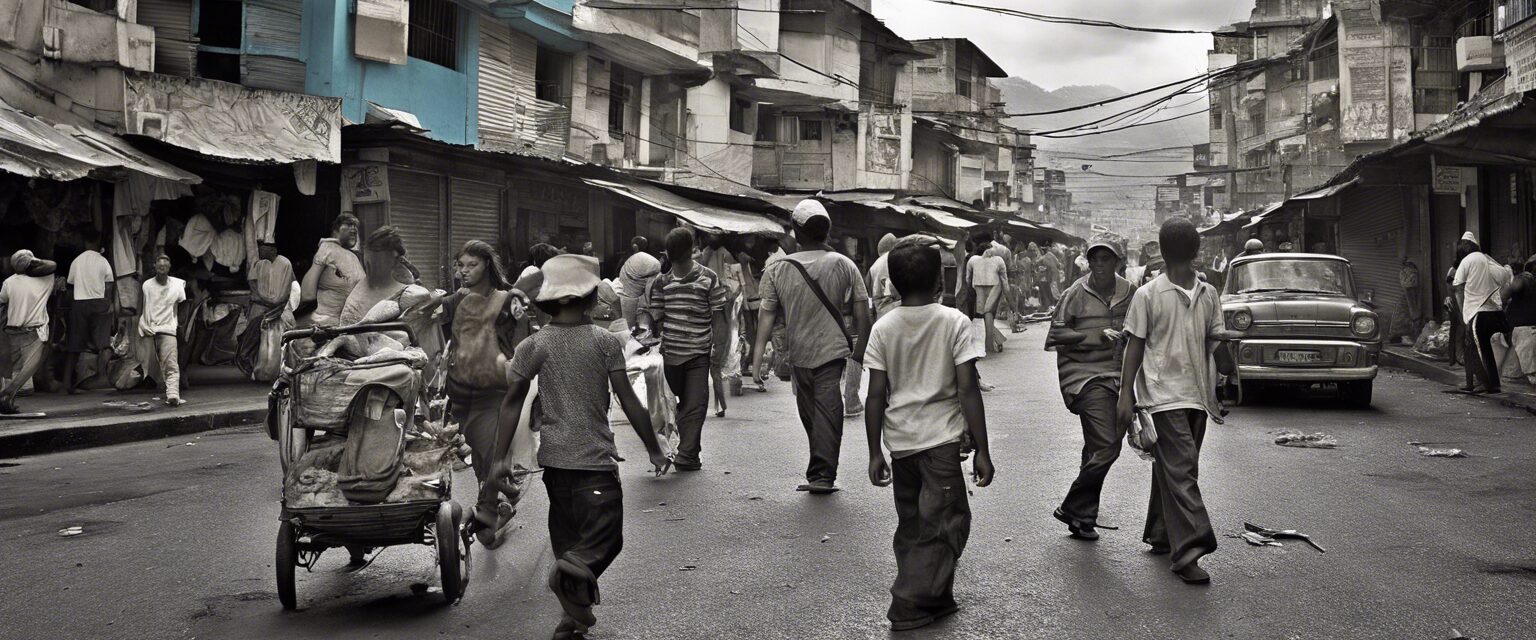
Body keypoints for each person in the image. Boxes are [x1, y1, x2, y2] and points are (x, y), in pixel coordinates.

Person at [489, 253, 670, 640]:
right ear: (592, 299)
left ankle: (573, 617)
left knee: (570, 543)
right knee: (602, 540)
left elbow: (511, 404)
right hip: (595, 462)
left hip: (555, 464)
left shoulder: (534, 345)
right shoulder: (604, 341)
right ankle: (572, 597)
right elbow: (628, 399)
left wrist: (499, 459)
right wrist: (654, 447)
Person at [863, 239, 994, 631]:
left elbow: (874, 396)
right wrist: (983, 449)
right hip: (940, 443)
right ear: (940, 277)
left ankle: (934, 597)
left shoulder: (883, 326)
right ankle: (908, 603)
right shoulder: (954, 322)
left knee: (915, 524)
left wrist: (874, 452)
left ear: (894, 283)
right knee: (947, 522)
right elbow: (967, 389)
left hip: (901, 443)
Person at [1116, 218, 1238, 584]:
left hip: (1198, 398)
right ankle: (1190, 550)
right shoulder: (1149, 295)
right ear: (1197, 252)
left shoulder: (1208, 293)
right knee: (1183, 471)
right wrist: (1128, 395)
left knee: (1172, 469)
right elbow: (1134, 346)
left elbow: (1215, 341)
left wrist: (1228, 377)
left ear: (1161, 251)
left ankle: (1160, 533)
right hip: (1162, 398)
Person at [751, 200, 871, 494]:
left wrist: (757, 363)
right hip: (829, 351)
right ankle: (821, 466)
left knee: (817, 411)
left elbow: (765, 318)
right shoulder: (844, 264)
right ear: (827, 232)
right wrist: (860, 353)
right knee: (821, 412)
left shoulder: (778, 269)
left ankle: (822, 474)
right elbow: (862, 314)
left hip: (801, 354)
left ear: (796, 232)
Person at [440, 240, 530, 548]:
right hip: (464, 390)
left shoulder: (507, 299)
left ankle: (488, 511)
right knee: (481, 454)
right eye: (460, 266)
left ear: (487, 266)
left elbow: (523, 331)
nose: (464, 271)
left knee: (491, 450)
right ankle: (503, 496)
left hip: (496, 388)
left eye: (471, 265)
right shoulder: (453, 302)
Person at [1046, 234, 1135, 541]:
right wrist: (1094, 335)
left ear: (1117, 262)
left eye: (1106, 259)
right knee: (1109, 445)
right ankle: (1073, 506)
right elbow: (1055, 334)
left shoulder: (1130, 292)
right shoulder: (1076, 292)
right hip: (1083, 377)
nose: (1099, 265)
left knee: (1096, 447)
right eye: (1094, 259)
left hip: (1119, 377)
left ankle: (1082, 518)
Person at [639, 228, 729, 472]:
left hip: (696, 354)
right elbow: (720, 317)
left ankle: (687, 455)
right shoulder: (663, 282)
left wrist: (718, 348)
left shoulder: (704, 278)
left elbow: (656, 319)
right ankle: (687, 449)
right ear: (693, 249)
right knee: (682, 405)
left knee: (695, 404)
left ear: (668, 253)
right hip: (672, 357)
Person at [1453, 232, 1512, 394]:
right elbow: (1505, 277)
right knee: (1478, 347)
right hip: (1494, 312)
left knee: (1477, 349)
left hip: (1477, 312)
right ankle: (1484, 383)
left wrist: (1463, 314)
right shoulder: (1487, 260)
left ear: (1465, 247)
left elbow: (1458, 288)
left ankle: (1485, 383)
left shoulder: (1468, 260)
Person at [0, 250, 58, 413]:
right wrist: (33, 261)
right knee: (27, 370)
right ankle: (6, 395)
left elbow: (2, 302)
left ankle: (7, 400)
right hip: (34, 334)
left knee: (12, 369)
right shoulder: (47, 279)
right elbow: (51, 265)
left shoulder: (9, 282)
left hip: (12, 331)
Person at [64, 230, 115, 393]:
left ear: (84, 241)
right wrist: (108, 302)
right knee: (103, 343)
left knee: (74, 345)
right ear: (98, 241)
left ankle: (66, 384)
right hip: (99, 301)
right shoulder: (103, 261)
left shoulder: (76, 261)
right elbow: (109, 284)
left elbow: (70, 285)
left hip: (80, 303)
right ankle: (102, 377)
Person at [139, 255, 188, 407]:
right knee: (151, 365)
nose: (162, 267)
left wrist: (177, 323)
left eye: (165, 264)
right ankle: (164, 388)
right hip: (150, 329)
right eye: (159, 265)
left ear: (169, 267)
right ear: (154, 266)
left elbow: (181, 306)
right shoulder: (147, 285)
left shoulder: (178, 285)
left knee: (171, 362)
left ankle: (173, 394)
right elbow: (143, 305)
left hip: (168, 328)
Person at [299, 213, 364, 326]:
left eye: (355, 226)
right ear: (336, 230)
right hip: (325, 322)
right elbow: (307, 294)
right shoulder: (327, 249)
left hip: (352, 322)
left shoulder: (354, 257)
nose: (354, 229)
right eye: (349, 224)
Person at [967, 233, 1009, 353]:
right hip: (987, 289)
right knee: (985, 316)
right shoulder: (978, 260)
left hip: (977, 291)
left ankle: (989, 343)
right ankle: (995, 341)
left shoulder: (973, 259)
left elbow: (968, 279)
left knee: (981, 316)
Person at [1501, 254, 1536, 385]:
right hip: (1523, 328)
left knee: (1513, 372)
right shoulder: (1525, 279)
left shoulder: (1524, 279)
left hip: (1523, 327)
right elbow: (1505, 294)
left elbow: (1504, 295)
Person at [616, 236, 660, 330]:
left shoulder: (637, 260)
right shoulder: (648, 262)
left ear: (634, 246)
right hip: (629, 295)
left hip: (629, 295)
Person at [867, 233, 901, 322]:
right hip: (901, 314)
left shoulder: (873, 268)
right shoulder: (901, 259)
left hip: (882, 318)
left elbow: (869, 298)